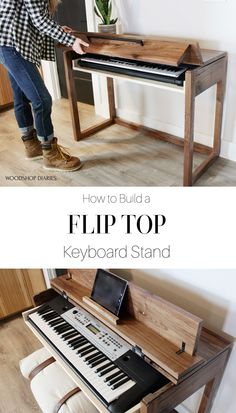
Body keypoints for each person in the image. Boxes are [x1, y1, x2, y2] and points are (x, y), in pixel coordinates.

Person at [0, 0, 89, 171]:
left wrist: (58, 30)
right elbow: (39, 20)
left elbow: (31, 17)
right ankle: (50, 154)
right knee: (42, 100)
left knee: (21, 97)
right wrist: (71, 41)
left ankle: (32, 146)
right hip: (11, 46)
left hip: (6, 44)